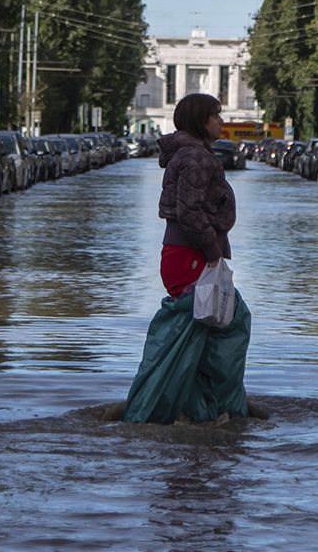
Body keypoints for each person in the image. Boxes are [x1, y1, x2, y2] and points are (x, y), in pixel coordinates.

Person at [122, 92, 252, 424]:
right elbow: (190, 211)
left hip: (185, 253)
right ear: (200, 121)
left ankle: (195, 409)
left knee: (201, 332)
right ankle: (193, 408)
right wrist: (211, 251)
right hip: (192, 255)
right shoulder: (196, 158)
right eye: (216, 116)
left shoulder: (193, 154)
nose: (222, 121)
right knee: (228, 320)